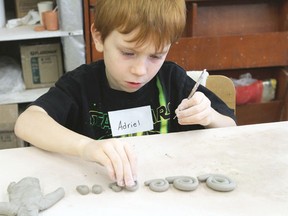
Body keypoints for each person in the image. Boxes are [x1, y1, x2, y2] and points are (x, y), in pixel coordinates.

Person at [15, 0, 236, 188]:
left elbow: (231, 129)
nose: (140, 70)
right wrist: (86, 147)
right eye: (128, 53)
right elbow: (27, 122)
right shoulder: (80, 85)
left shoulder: (172, 80)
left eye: (156, 56)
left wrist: (209, 116)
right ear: (99, 38)